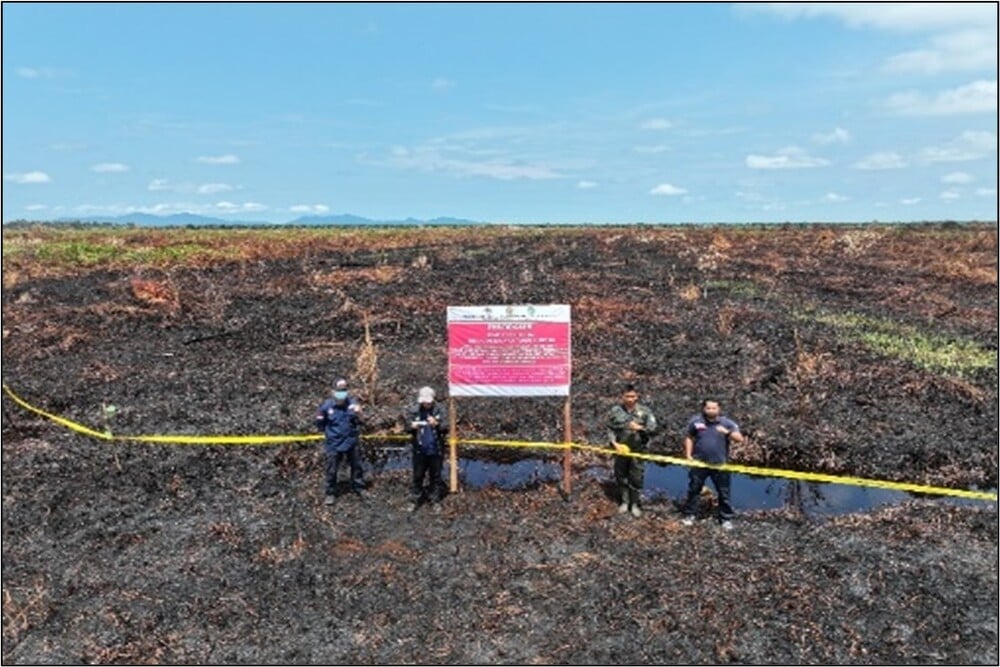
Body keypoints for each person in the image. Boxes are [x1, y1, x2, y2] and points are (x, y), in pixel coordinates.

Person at [680, 399, 744, 530]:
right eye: (708, 408)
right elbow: (689, 437)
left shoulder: (727, 423)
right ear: (704, 409)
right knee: (694, 490)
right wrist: (688, 455)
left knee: (723, 492)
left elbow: (740, 439)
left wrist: (727, 433)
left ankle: (725, 519)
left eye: (714, 408)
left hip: (720, 464)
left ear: (719, 409)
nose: (711, 411)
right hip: (699, 463)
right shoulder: (696, 421)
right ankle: (690, 515)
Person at [606, 384, 658, 517]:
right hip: (621, 450)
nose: (630, 399)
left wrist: (640, 428)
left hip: (638, 450)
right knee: (621, 476)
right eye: (627, 396)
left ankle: (634, 504)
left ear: (637, 396)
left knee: (636, 477)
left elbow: (654, 429)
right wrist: (614, 443)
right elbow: (609, 428)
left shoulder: (645, 411)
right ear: (622, 397)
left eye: (633, 396)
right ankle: (624, 502)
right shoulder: (615, 411)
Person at [315, 380, 365, 505]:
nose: (341, 393)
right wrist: (329, 434)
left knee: (357, 467)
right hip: (334, 443)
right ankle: (330, 493)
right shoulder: (326, 407)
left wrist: (360, 413)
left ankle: (358, 488)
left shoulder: (353, 404)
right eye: (339, 391)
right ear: (333, 391)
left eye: (344, 391)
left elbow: (362, 421)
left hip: (351, 441)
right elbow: (319, 423)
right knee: (331, 469)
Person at [404, 386, 449, 512]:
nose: (426, 404)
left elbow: (446, 426)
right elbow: (406, 427)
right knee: (418, 475)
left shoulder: (440, 409)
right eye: (424, 402)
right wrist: (411, 426)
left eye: (428, 402)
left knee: (435, 476)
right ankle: (415, 499)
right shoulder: (414, 410)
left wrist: (437, 424)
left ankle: (434, 500)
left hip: (436, 449)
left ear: (433, 400)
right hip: (419, 449)